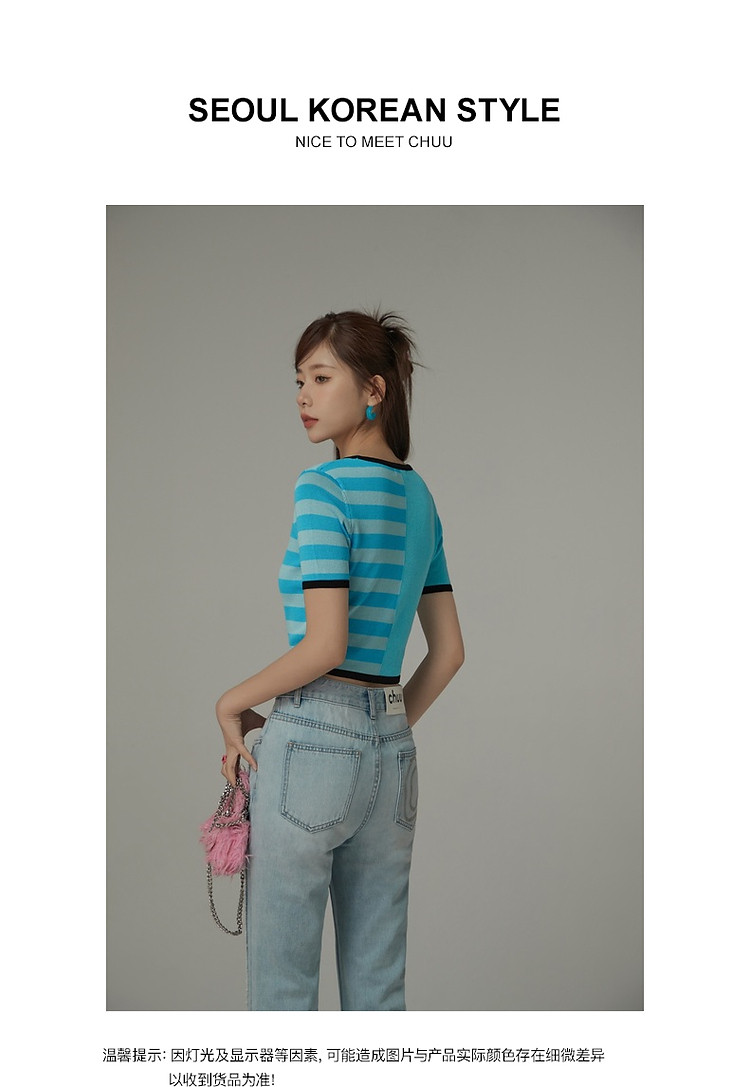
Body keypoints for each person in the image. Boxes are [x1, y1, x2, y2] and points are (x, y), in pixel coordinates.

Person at [215, 309, 464, 1011]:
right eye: (299, 380)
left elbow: (324, 646)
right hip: (394, 754)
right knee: (379, 994)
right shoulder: (420, 497)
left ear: (374, 389)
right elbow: (448, 653)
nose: (304, 395)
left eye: (322, 378)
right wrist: (379, 727)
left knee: (283, 996)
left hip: (309, 753)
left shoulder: (322, 487)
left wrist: (230, 701)